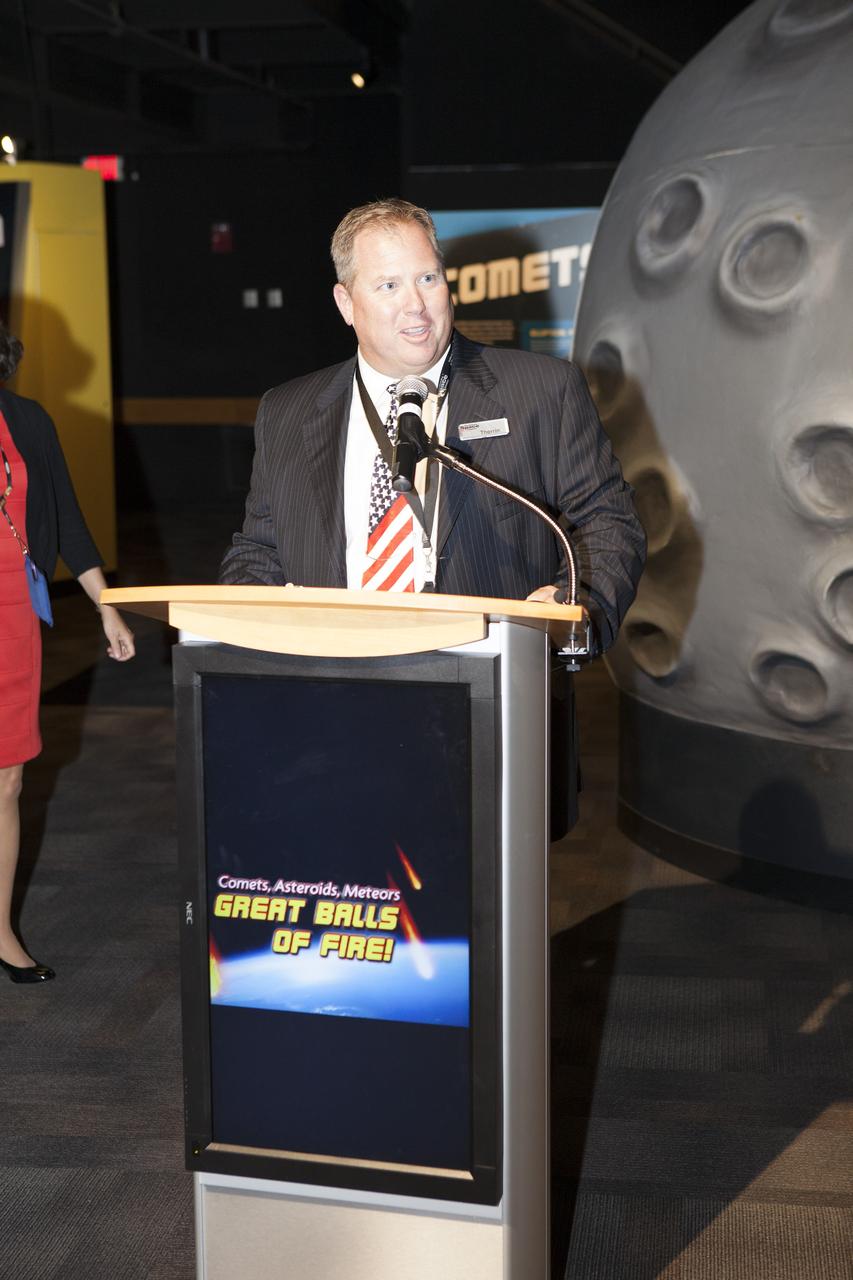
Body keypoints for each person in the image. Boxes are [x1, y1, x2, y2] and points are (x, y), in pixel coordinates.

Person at [219, 199, 645, 824]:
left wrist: (572, 603)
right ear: (346, 304)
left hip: (491, 715)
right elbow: (259, 551)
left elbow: (608, 524)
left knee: (483, 916)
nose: (415, 306)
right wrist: (247, 633)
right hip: (329, 718)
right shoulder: (287, 412)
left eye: (427, 279)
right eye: (388, 285)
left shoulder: (540, 391)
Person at [0, 319, 135, 984]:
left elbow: (69, 520)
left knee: (9, 782)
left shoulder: (26, 420)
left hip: (13, 619)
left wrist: (106, 605)